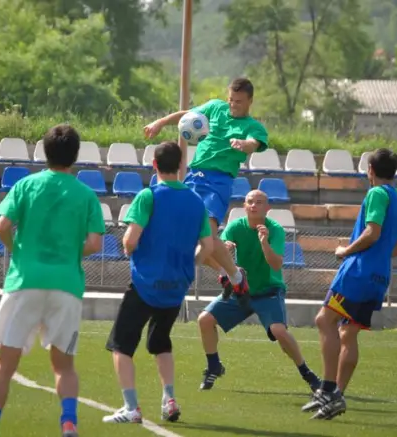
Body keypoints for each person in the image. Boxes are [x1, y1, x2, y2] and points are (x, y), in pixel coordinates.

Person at [0, 124, 106, 437]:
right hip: (67, 284)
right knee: (64, 365)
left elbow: (1, 227)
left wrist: (19, 250)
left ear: (44, 151)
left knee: (4, 365)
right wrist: (67, 254)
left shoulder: (26, 185)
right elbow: (94, 244)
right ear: (75, 155)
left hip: (24, 281)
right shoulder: (86, 194)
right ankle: (68, 422)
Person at [144, 81, 270, 379]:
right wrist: (161, 121)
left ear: (249, 101)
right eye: (230, 99)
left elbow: (255, 141)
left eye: (238, 101)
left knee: (209, 237)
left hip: (218, 183)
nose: (232, 104)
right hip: (193, 178)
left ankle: (234, 276)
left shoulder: (253, 126)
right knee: (192, 240)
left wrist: (245, 145)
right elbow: (188, 114)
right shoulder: (215, 107)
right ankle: (234, 275)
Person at [102, 141, 214, 425]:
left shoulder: (148, 196)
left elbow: (130, 240)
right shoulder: (196, 201)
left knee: (121, 345)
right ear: (180, 166)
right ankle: (169, 398)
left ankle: (131, 407)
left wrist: (130, 250)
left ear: (154, 164)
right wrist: (190, 266)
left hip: (145, 284)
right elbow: (208, 247)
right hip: (176, 288)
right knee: (160, 341)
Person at [301, 148, 397, 420]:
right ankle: (337, 396)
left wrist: (345, 251)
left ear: (370, 170)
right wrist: (378, 256)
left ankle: (327, 389)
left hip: (357, 274)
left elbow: (372, 232)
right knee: (348, 333)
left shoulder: (376, 194)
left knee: (324, 321)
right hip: (379, 278)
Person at [197, 190, 322, 392]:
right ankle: (213, 366)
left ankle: (307, 373)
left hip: (268, 291)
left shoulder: (275, 230)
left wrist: (264, 243)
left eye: (259, 202)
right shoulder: (235, 227)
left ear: (267, 208)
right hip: (241, 289)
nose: (254, 205)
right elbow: (216, 249)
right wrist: (226, 250)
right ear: (244, 206)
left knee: (279, 330)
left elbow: (275, 264)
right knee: (205, 319)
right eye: (250, 202)